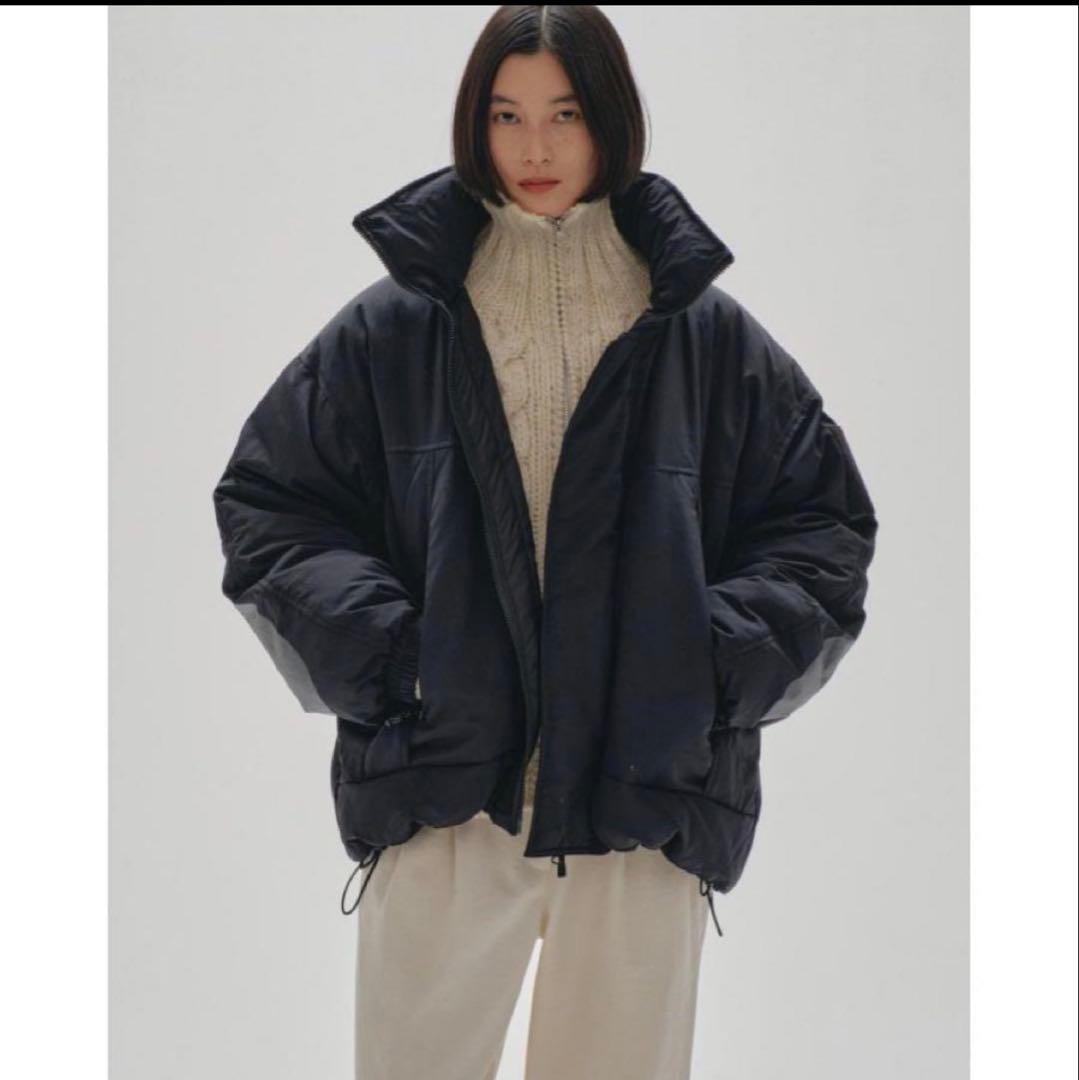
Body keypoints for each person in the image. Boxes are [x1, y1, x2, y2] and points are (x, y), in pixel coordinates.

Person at [211, 7, 878, 1079]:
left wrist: (698, 669)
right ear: (472, 125)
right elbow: (272, 503)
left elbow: (822, 527)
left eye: (565, 115)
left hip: (638, 807)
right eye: (505, 115)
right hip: (442, 797)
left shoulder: (705, 335)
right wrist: (397, 659)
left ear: (611, 121)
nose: (534, 148)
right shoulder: (397, 324)